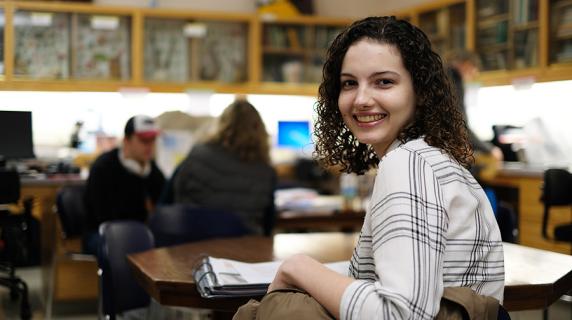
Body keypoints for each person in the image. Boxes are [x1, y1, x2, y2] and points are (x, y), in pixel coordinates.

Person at [266, 16, 505, 319]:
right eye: (350, 83)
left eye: (384, 82)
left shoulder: (408, 164)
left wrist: (297, 267)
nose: (362, 99)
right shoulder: (428, 157)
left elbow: (403, 314)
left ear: (419, 92)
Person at [173, 99, 276, 236]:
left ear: (221, 124)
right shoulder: (265, 170)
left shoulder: (197, 155)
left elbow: (175, 199)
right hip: (246, 247)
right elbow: (267, 225)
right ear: (259, 129)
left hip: (195, 242)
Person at [83, 115, 166, 254]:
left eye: (152, 140)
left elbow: (163, 205)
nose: (149, 145)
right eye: (143, 140)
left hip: (138, 234)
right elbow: (103, 217)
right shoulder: (103, 167)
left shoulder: (152, 171)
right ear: (126, 140)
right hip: (101, 234)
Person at [446, 51, 504, 163]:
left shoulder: (443, 75)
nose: (474, 74)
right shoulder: (453, 78)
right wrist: (489, 149)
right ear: (467, 64)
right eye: (474, 69)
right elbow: (459, 124)